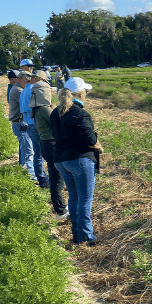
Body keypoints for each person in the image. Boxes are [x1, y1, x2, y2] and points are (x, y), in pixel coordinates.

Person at [51, 77, 104, 245]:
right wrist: (98, 146)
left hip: (61, 160)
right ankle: (86, 237)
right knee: (85, 200)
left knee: (73, 197)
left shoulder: (56, 112)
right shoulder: (80, 113)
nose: (87, 94)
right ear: (80, 93)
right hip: (80, 160)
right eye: (86, 92)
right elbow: (89, 138)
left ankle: (76, 234)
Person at [30, 75, 67, 220]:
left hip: (46, 144)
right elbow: (58, 122)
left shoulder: (37, 108)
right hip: (51, 145)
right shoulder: (45, 109)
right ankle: (60, 210)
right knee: (56, 177)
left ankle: (60, 207)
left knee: (55, 175)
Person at [20, 70, 49, 188]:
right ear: (37, 78)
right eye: (42, 80)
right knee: (39, 155)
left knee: (37, 153)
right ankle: (42, 179)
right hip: (35, 125)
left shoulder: (24, 91)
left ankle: (41, 177)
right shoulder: (33, 91)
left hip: (28, 124)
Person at [9, 71, 35, 176]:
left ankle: (23, 170)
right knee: (28, 152)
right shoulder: (18, 91)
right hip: (20, 124)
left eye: (30, 80)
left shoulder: (18, 89)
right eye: (26, 80)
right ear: (19, 79)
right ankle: (31, 176)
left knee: (24, 149)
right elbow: (30, 103)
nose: (28, 82)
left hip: (19, 123)